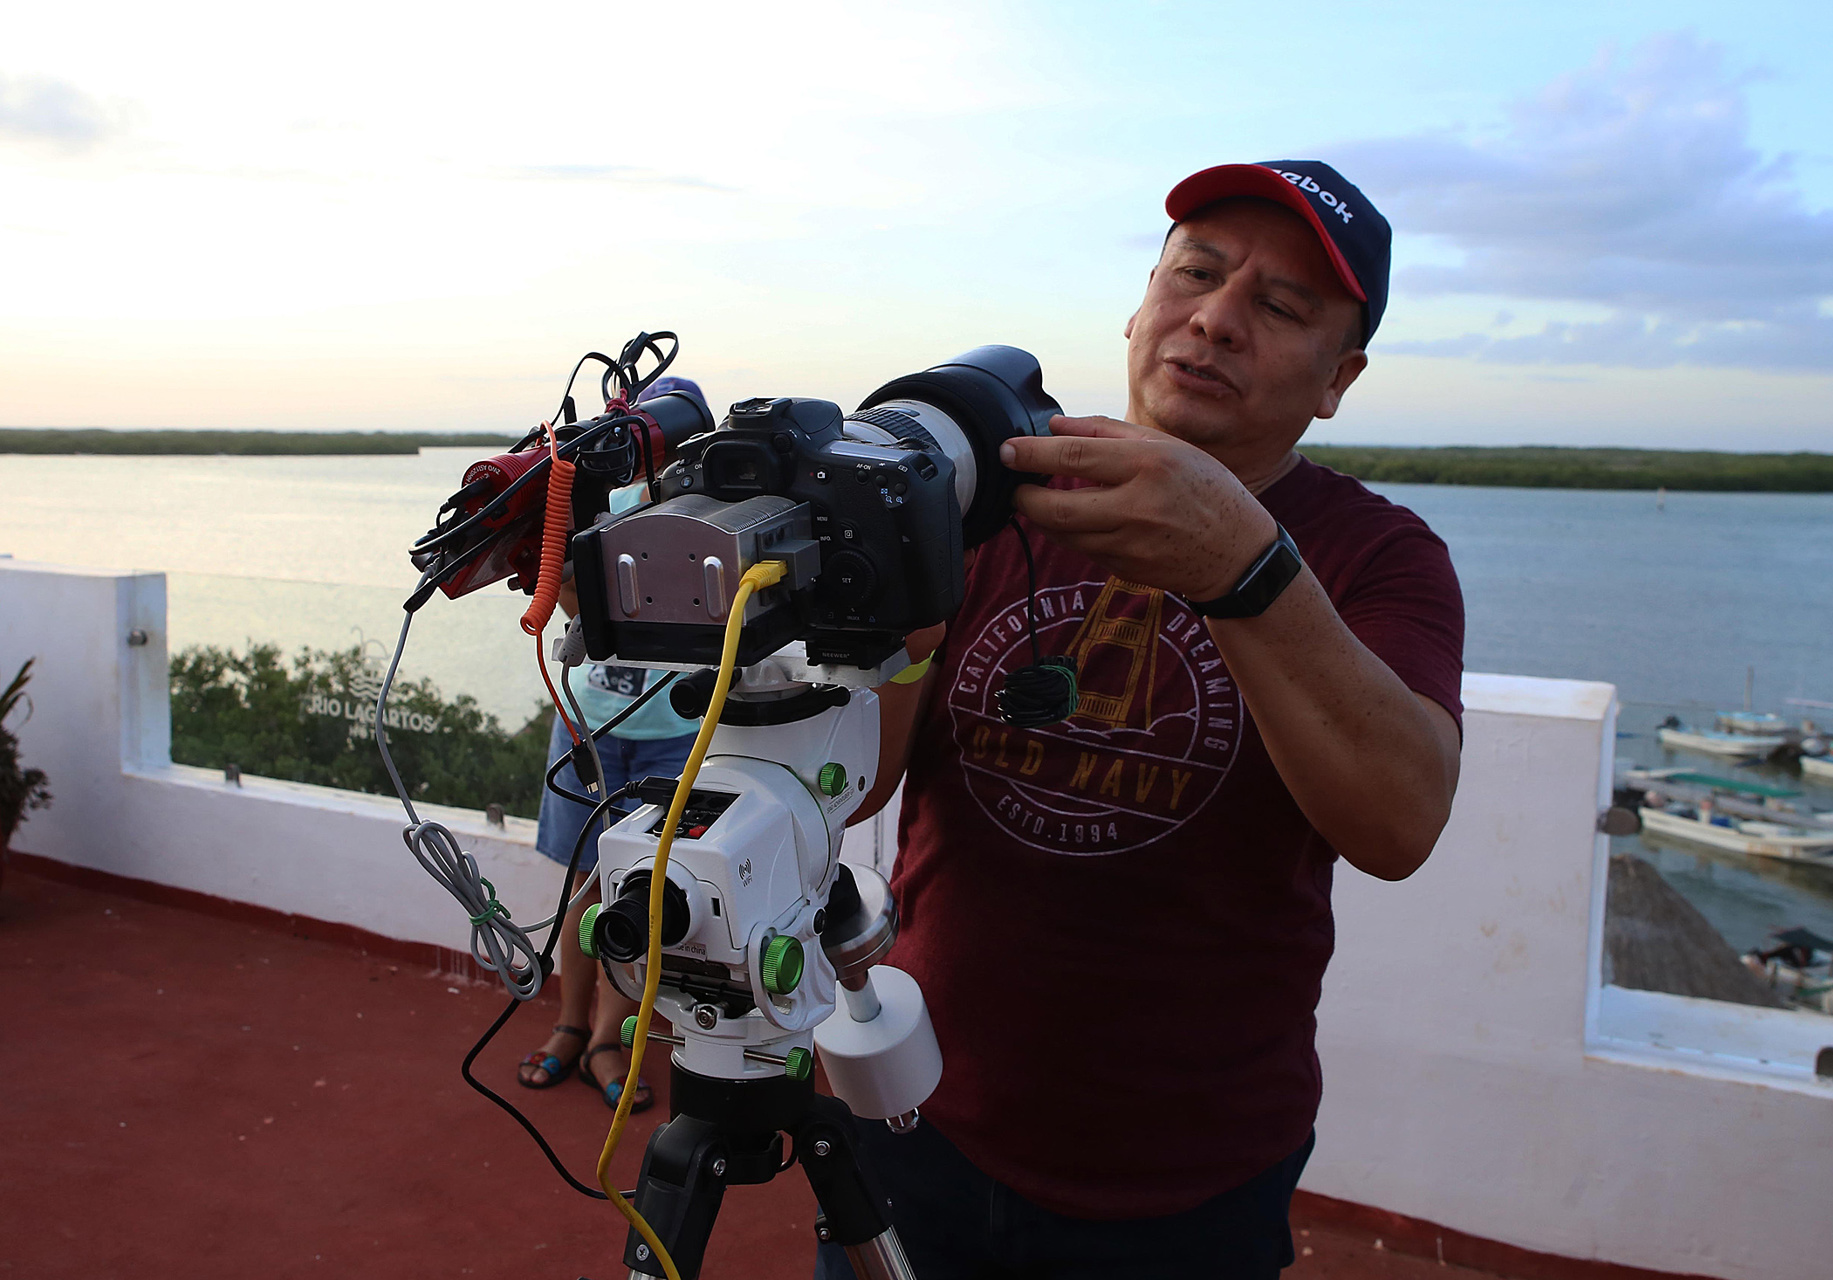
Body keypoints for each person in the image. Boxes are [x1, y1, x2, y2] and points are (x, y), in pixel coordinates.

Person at [818, 162, 1465, 1278]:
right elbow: (861, 779)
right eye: (1197, 274)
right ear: (1138, 305)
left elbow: (1401, 821)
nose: (1216, 317)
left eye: (1280, 307)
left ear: (1337, 379)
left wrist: (1246, 565)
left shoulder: (1377, 553)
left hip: (1192, 1174)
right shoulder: (990, 493)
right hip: (918, 1105)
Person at [517, 376, 709, 1111]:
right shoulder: (597, 502)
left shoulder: (704, 510)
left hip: (671, 737)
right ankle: (569, 1024)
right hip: (588, 728)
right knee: (579, 888)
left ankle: (609, 1038)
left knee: (640, 894)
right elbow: (566, 603)